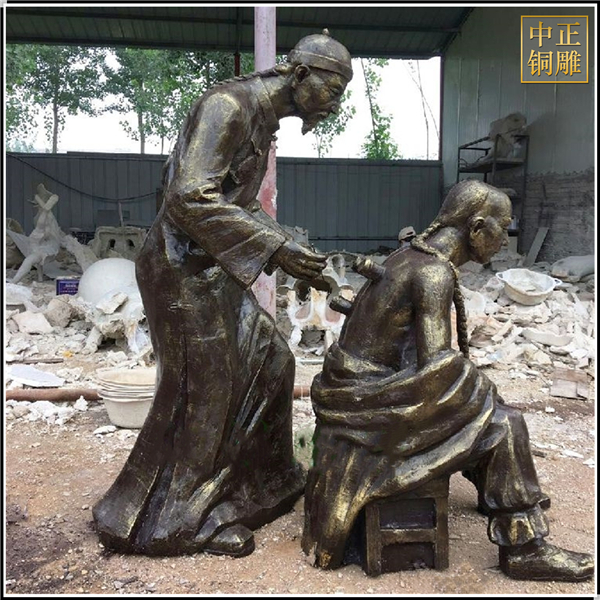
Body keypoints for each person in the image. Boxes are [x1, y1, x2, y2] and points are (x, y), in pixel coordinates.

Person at [93, 30, 353, 558]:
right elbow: (189, 197)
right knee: (205, 393)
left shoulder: (261, 118)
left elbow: (237, 203)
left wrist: (294, 251)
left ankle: (262, 486)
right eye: (333, 91)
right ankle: (173, 521)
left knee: (272, 361)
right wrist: (277, 250)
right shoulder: (227, 107)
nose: (334, 105)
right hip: (179, 272)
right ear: (301, 74)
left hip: (211, 269)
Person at [302, 179, 594, 582]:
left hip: (360, 391)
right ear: (477, 227)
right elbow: (439, 369)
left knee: (479, 400)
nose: (505, 239)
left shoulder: (409, 254)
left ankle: (503, 490)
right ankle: (525, 549)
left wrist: (476, 389)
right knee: (506, 423)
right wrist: (484, 391)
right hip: (369, 406)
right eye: (503, 227)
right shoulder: (433, 273)